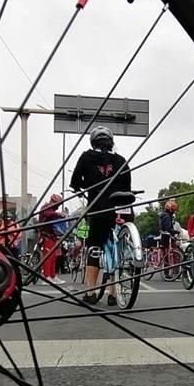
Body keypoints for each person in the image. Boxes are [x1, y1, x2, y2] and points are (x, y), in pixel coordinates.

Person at [69, 126, 131, 305]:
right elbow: (127, 185)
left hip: (98, 208)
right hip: (121, 208)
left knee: (94, 247)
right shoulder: (121, 160)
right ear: (111, 142)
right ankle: (113, 293)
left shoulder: (86, 157)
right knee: (117, 248)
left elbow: (75, 181)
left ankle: (91, 292)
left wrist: (80, 187)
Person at [38, 194, 66, 284]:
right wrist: (58, 214)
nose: (57, 207)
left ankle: (53, 275)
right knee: (48, 256)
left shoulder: (52, 211)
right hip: (45, 235)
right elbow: (47, 213)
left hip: (52, 236)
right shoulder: (45, 208)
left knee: (54, 256)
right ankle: (46, 276)